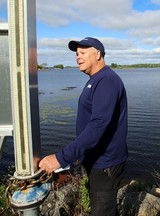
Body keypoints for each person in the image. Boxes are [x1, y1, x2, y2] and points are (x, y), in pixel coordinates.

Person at [39, 37, 128, 216]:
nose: (78, 57)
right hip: (98, 160)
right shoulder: (96, 80)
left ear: (98, 54)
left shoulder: (106, 81)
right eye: (77, 54)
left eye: (83, 53)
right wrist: (82, 154)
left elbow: (98, 125)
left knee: (102, 211)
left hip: (105, 163)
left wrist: (61, 158)